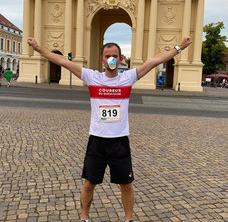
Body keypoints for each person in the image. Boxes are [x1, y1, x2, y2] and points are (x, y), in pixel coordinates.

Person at [27, 36, 192, 222]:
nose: (111, 59)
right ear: (102, 60)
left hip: (120, 140)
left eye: (115, 56)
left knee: (127, 185)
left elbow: (154, 61)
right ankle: (84, 218)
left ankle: (128, 219)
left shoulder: (127, 77)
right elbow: (63, 61)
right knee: (89, 183)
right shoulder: (92, 77)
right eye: (108, 56)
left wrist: (180, 47)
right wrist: (38, 48)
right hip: (97, 140)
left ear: (121, 59)